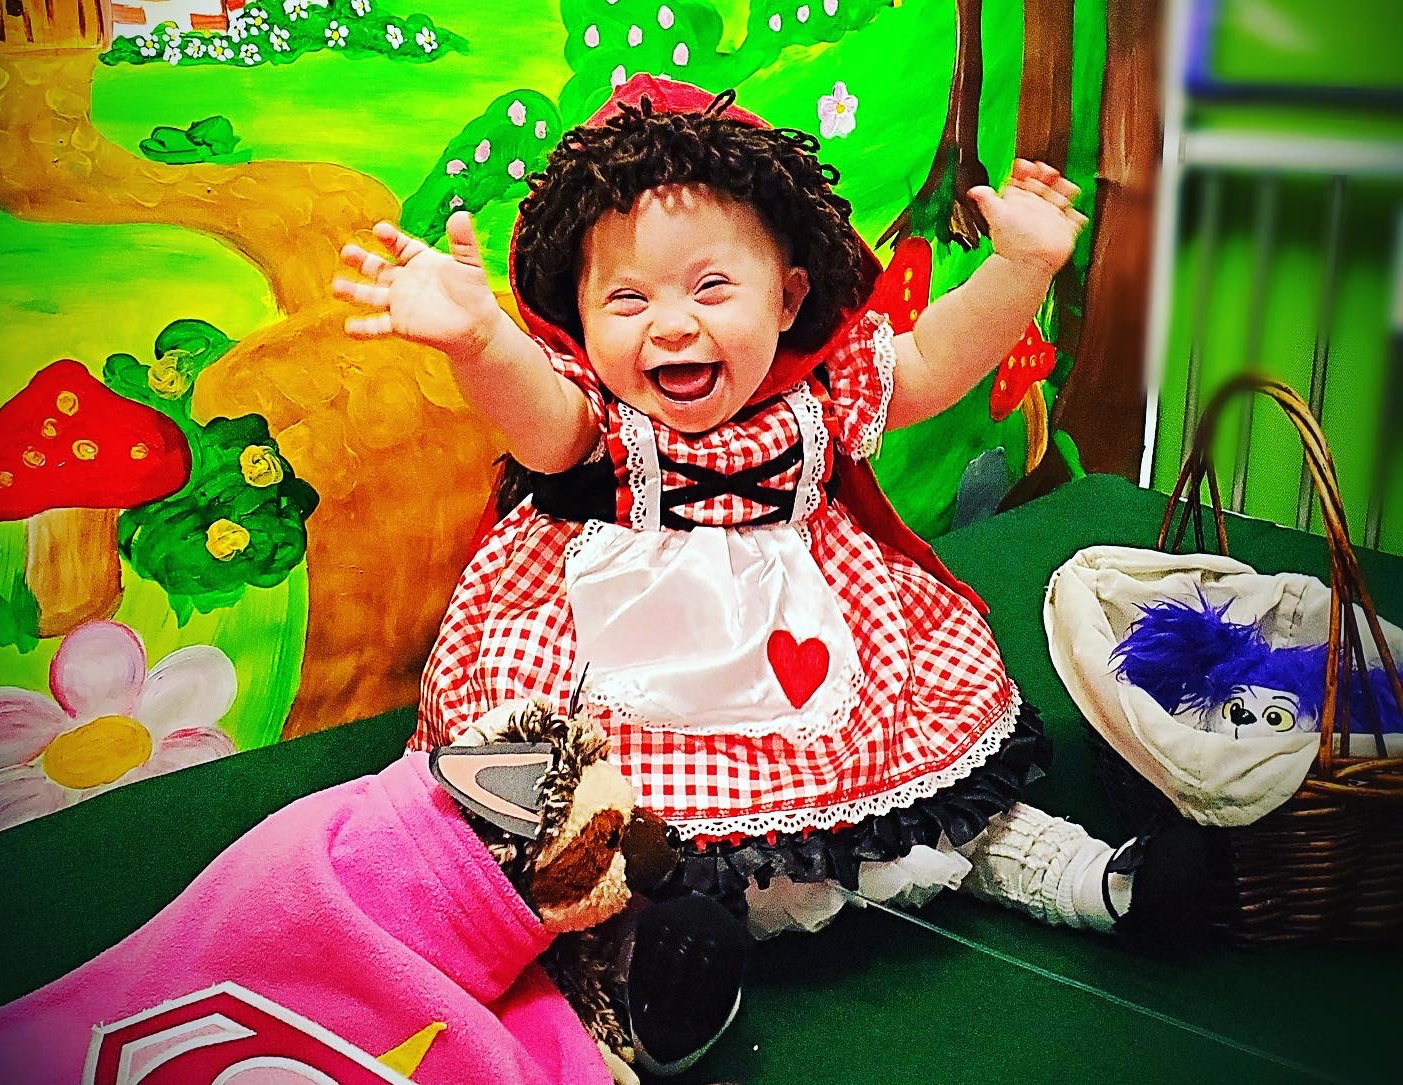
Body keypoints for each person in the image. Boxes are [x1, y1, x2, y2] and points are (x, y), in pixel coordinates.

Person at [335, 76, 1200, 1075]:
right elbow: (539, 419)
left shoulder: (821, 396)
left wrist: (1019, 268)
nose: (670, 324)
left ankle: (1066, 869)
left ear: (788, 296)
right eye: (626, 298)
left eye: (711, 288)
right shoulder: (596, 420)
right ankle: (647, 972)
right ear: (577, 312)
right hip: (620, 676)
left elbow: (932, 361)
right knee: (598, 847)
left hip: (815, 643)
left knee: (922, 770)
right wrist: (482, 342)